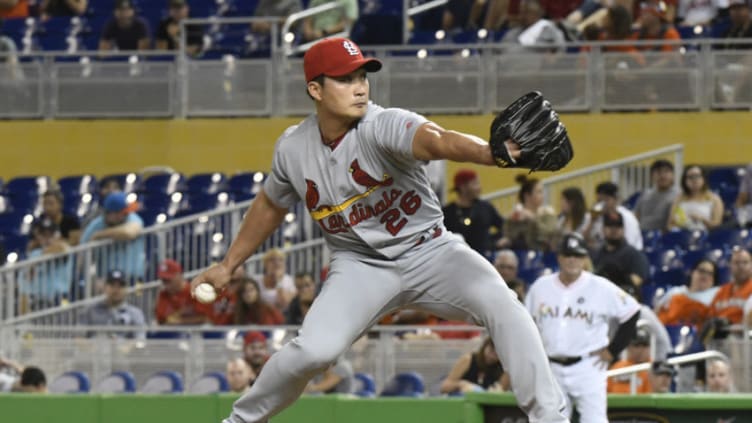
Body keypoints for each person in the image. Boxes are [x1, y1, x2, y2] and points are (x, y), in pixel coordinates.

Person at [191, 37, 570, 423]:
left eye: (362, 76)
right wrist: (229, 265)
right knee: (311, 352)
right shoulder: (293, 148)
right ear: (315, 89)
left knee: (505, 307)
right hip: (359, 266)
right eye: (345, 79)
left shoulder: (381, 124)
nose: (359, 86)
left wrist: (487, 153)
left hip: (431, 252)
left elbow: (437, 139)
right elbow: (271, 203)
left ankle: (549, 419)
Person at [526, 232, 640, 422]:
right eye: (568, 255)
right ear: (559, 257)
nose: (572, 260)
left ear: (585, 258)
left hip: (588, 366)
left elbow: (632, 312)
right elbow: (526, 323)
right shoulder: (540, 287)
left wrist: (613, 350)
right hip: (550, 366)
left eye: (577, 255)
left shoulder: (600, 287)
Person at [80, 191, 145, 282]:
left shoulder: (132, 218)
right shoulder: (95, 226)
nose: (126, 215)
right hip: (108, 282)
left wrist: (99, 235)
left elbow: (129, 232)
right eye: (123, 213)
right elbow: (82, 254)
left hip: (133, 278)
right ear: (111, 214)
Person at [442, 169, 504, 255]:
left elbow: (503, 226)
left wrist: (493, 242)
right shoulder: (448, 211)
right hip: (457, 257)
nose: (479, 188)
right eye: (475, 183)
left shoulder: (485, 207)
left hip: (483, 257)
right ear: (463, 187)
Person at [78, 269, 147, 339]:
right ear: (104, 287)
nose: (116, 289)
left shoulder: (135, 313)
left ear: (126, 289)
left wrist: (127, 347)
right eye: (112, 285)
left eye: (120, 285)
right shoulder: (90, 311)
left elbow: (140, 341)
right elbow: (78, 338)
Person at [656, 258, 720, 329]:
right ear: (692, 272)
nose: (705, 275)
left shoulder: (717, 294)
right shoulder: (676, 291)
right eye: (701, 270)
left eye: (710, 273)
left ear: (714, 280)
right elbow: (656, 312)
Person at [591, 212, 650, 288]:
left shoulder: (634, 254)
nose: (614, 230)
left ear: (623, 229)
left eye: (618, 226)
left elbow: (637, 282)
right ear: (603, 229)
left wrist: (619, 276)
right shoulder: (597, 254)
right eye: (610, 226)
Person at [502, 175, 558, 251]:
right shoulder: (516, 215)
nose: (543, 195)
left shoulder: (547, 212)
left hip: (543, 254)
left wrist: (532, 218)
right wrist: (516, 221)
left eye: (542, 191)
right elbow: (509, 236)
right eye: (539, 192)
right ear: (527, 195)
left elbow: (549, 233)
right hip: (520, 254)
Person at [440, 337, 510, 395]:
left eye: (497, 353)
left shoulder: (505, 370)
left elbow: (501, 392)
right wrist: (461, 384)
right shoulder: (468, 360)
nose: (492, 355)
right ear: (485, 346)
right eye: (491, 350)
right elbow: (444, 387)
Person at [586, 181, 643, 251]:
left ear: (616, 200)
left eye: (606, 200)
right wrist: (591, 222)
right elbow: (583, 241)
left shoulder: (627, 217)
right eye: (599, 201)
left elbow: (630, 246)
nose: (602, 205)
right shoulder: (595, 215)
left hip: (628, 256)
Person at [668, 165, 724, 231]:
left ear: (704, 179)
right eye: (690, 177)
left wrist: (702, 220)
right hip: (682, 235)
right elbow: (670, 224)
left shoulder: (715, 199)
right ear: (684, 181)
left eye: (697, 176)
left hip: (705, 235)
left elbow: (717, 225)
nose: (694, 180)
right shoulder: (679, 198)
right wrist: (679, 226)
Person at [155, 259, 209, 325]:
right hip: (172, 334)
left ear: (179, 275)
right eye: (163, 280)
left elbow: (206, 318)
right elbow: (161, 320)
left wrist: (180, 321)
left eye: (168, 279)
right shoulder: (163, 294)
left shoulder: (194, 291)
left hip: (196, 332)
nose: (166, 284)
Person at [633, 159, 679, 232]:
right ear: (652, 176)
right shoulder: (645, 194)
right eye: (658, 172)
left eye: (666, 171)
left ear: (673, 175)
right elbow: (636, 216)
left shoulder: (679, 195)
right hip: (642, 235)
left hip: (665, 237)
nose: (662, 175)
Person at [607, 330, 652, 394]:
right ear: (628, 347)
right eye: (637, 345)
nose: (641, 350)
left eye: (645, 345)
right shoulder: (617, 367)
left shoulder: (655, 368)